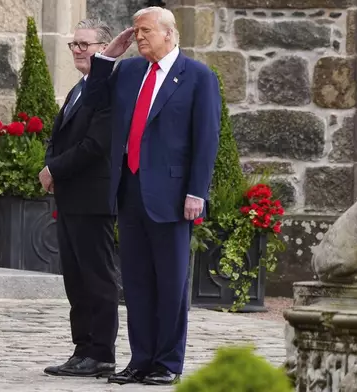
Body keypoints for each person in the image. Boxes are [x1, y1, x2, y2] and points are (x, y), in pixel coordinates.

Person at [82, 6, 221, 386]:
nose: (140, 37)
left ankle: (167, 362)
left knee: (171, 283)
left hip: (174, 196)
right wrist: (108, 55)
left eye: (146, 31)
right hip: (130, 191)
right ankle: (140, 359)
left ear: (169, 33)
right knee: (138, 282)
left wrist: (197, 191)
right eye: (137, 31)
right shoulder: (127, 72)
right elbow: (93, 98)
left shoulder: (197, 77)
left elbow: (206, 139)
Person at [39, 18, 119, 378]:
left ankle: (101, 352)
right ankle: (82, 348)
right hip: (72, 197)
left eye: (85, 45)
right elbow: (61, 138)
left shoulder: (108, 89)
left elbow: (96, 145)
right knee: (75, 278)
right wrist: (50, 165)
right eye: (74, 44)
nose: (77, 50)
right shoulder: (78, 89)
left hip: (94, 198)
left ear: (105, 49)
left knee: (97, 278)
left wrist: (54, 169)